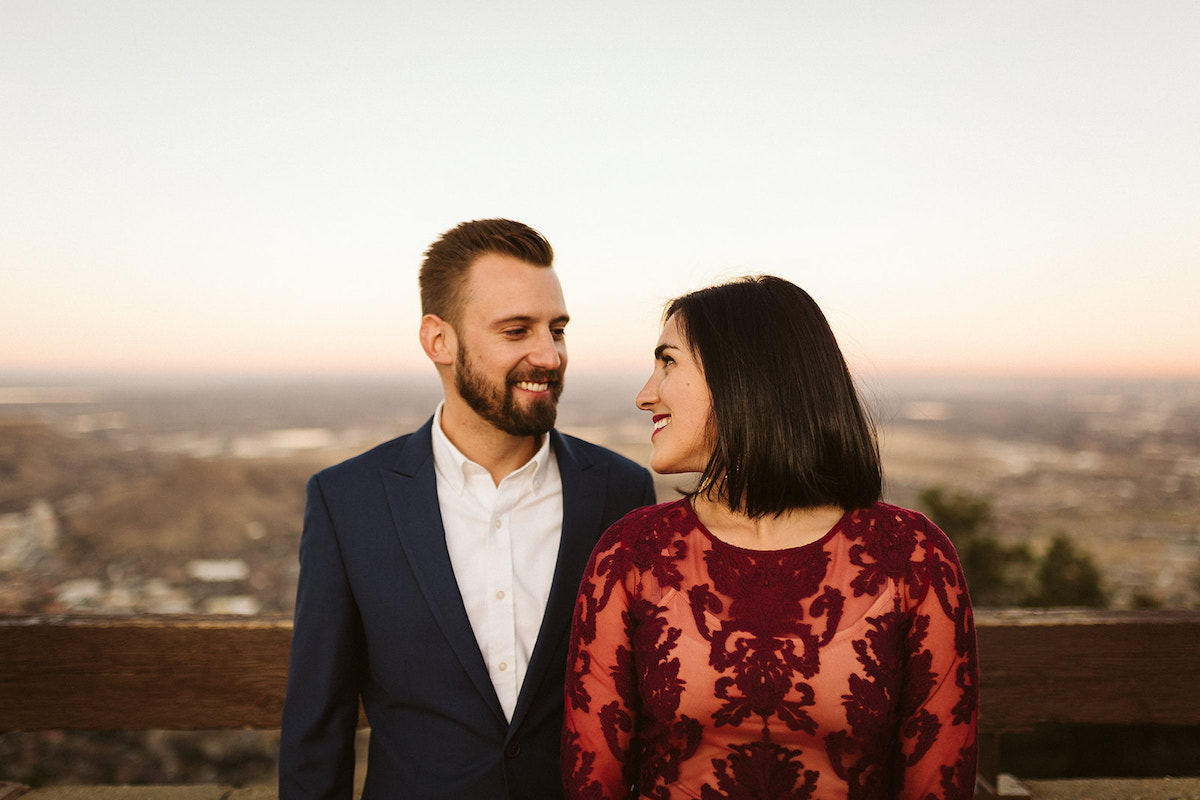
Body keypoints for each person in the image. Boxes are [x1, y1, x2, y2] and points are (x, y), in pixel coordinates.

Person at [280, 219, 657, 800]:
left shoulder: (620, 491)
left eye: (557, 330)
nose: (549, 355)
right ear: (439, 341)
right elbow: (318, 726)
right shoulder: (347, 501)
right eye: (516, 331)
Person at [563, 276, 978, 799]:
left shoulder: (912, 559)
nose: (646, 395)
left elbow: (939, 783)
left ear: (742, 377)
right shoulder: (631, 556)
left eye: (668, 362)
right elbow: (590, 783)